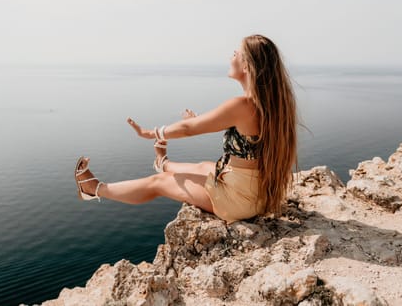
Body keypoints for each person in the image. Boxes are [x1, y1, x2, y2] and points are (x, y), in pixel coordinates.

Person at [74, 34, 298, 223]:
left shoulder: (242, 105)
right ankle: (163, 163)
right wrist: (199, 120)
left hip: (238, 201)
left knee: (158, 184)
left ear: (247, 65)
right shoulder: (271, 105)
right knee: (203, 166)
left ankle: (94, 189)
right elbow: (246, 137)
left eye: (235, 53)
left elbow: (189, 129)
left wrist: (151, 133)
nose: (230, 58)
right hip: (253, 192)